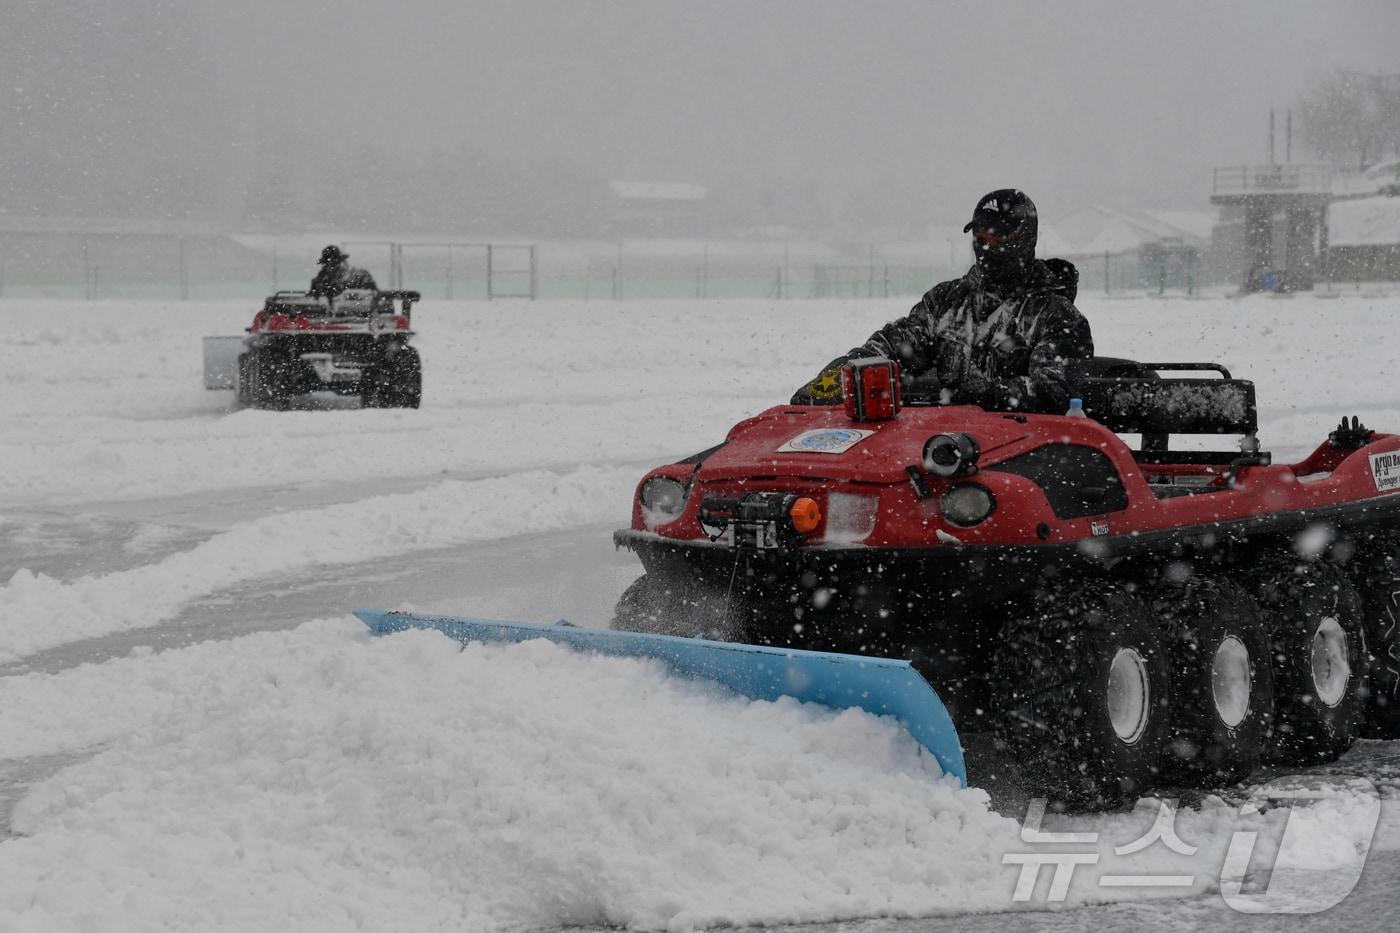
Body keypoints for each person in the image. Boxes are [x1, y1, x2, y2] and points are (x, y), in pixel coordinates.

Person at [793, 189, 1092, 413]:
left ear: (1024, 239)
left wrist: (984, 393)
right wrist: (847, 373)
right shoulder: (946, 300)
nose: (986, 246)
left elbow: (1055, 393)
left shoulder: (1057, 317)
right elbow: (898, 343)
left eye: (997, 237)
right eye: (980, 235)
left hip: (1018, 454)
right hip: (938, 442)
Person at [308, 244, 378, 298]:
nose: (330, 267)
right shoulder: (318, 281)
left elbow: (373, 296)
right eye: (327, 264)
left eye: (335, 263)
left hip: (357, 314)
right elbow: (312, 303)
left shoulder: (360, 276)